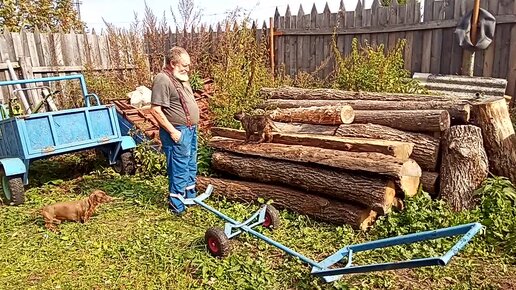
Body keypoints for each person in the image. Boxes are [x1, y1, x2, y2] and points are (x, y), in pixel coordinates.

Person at [150, 46, 200, 214]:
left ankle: (189, 197)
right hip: (177, 131)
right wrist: (172, 131)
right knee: (178, 168)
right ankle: (176, 206)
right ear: (172, 63)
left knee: (190, 164)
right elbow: (156, 110)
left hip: (190, 130)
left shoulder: (181, 78)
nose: (188, 68)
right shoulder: (162, 79)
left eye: (188, 65)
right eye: (184, 65)